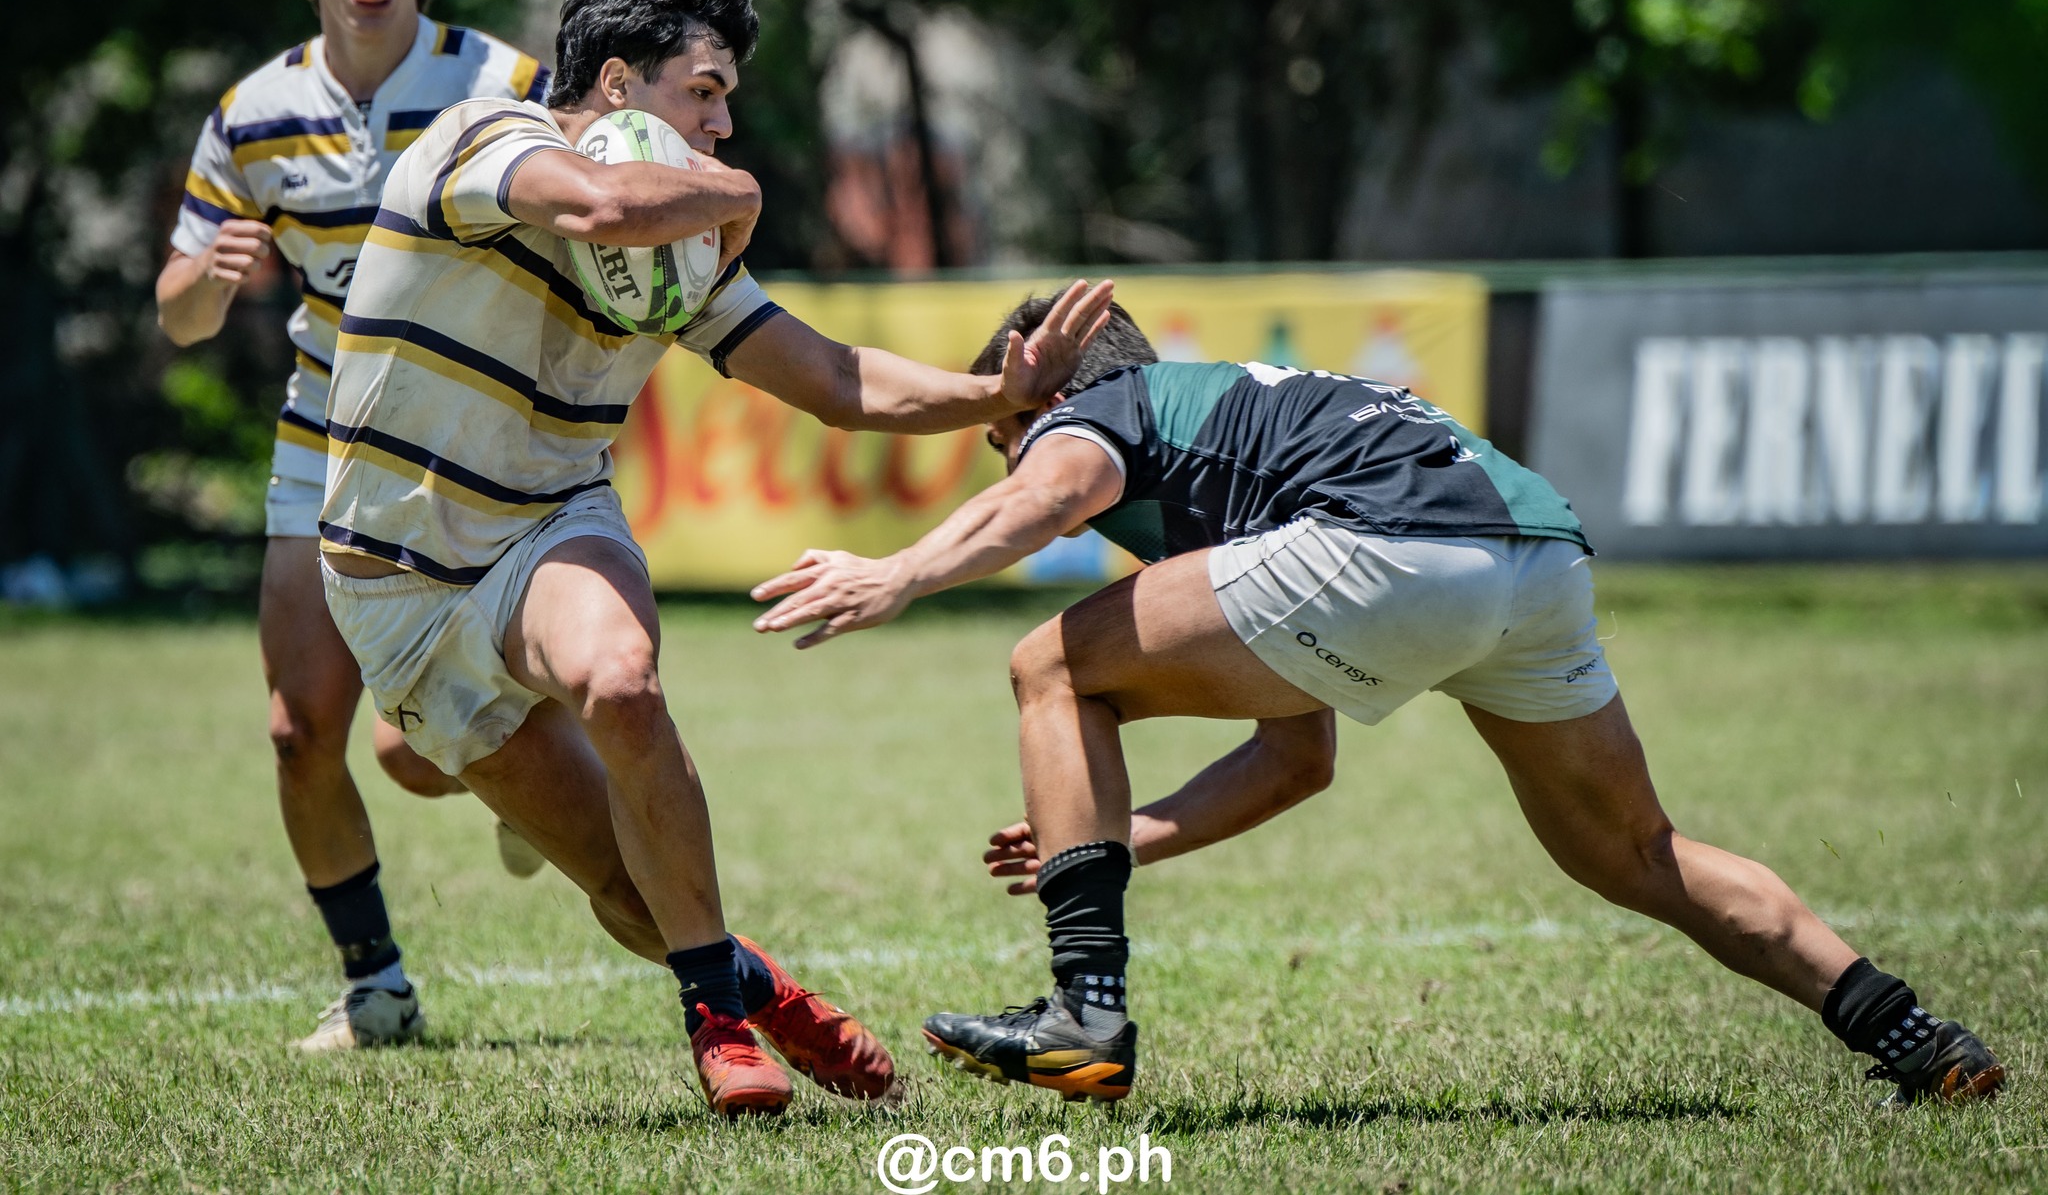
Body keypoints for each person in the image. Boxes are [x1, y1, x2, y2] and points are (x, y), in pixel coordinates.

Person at [750, 296, 2008, 1110]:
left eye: (1000, 430)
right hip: (1533, 554)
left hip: (1388, 547)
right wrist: (1119, 836)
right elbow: (1296, 758)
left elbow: (1048, 493)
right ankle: (1912, 1035)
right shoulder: (1243, 417)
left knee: (1047, 663)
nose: (1006, 454)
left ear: (1042, 396)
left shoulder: (1098, 409)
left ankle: (1084, 1013)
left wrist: (899, 570)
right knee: (1635, 851)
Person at [317, 0, 1114, 1114]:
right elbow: (595, 204)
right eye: (703, 90)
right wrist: (736, 196)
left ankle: (713, 1020)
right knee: (623, 883)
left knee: (622, 682)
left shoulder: (677, 250)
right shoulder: (479, 140)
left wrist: (996, 392)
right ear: (616, 82)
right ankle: (756, 985)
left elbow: (836, 381)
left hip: (544, 526)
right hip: (391, 589)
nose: (723, 120)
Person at [155, 0, 556, 1053]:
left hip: (472, 440)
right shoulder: (252, 114)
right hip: (323, 438)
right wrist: (209, 280)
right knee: (299, 730)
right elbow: (175, 314)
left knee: (418, 755)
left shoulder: (506, 82)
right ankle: (375, 983)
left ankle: (542, 743)